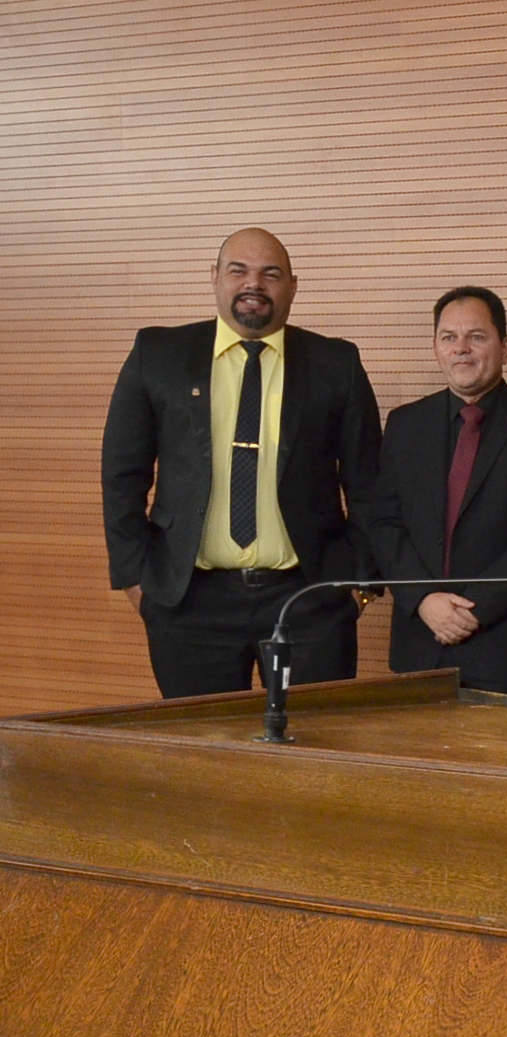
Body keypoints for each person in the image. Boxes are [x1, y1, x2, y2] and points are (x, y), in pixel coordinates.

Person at [100, 227, 380, 696]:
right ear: (214, 278)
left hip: (310, 602)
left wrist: (361, 585)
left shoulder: (337, 363)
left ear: (293, 285)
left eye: (271, 274)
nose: (254, 284)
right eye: (239, 271)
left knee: (311, 750)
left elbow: (368, 483)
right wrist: (135, 579)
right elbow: (121, 476)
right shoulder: (159, 354)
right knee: (201, 753)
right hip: (188, 602)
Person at [363, 286, 507, 696]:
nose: (461, 349)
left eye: (477, 337)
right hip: (420, 641)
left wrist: (475, 610)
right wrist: (425, 598)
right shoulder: (405, 424)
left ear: (506, 347)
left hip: (506, 644)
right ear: (435, 348)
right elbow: (384, 523)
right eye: (449, 337)